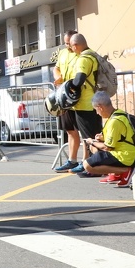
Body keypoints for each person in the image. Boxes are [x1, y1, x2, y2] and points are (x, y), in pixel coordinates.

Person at [62, 33, 104, 177]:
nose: (71, 49)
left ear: (75, 45)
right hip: (90, 103)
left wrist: (69, 89)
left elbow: (79, 79)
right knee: (93, 137)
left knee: (90, 138)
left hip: (86, 104)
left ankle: (94, 168)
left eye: (71, 46)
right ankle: (91, 165)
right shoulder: (91, 55)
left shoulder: (84, 58)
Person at [80, 91, 135, 187]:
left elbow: (107, 147)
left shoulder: (114, 121)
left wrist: (92, 141)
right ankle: (115, 174)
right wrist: (101, 138)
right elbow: (120, 136)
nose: (97, 113)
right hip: (127, 151)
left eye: (96, 110)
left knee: (87, 165)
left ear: (100, 107)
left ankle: (126, 171)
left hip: (124, 155)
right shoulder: (118, 113)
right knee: (93, 147)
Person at [53, 30, 82, 172]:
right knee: (70, 131)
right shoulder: (63, 53)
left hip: (80, 98)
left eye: (69, 43)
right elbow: (56, 68)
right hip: (65, 97)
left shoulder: (82, 53)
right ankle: (72, 160)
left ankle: (86, 162)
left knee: (85, 133)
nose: (67, 46)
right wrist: (58, 77)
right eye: (65, 43)